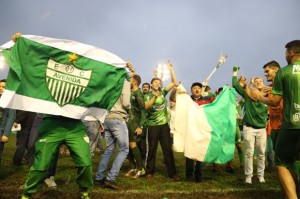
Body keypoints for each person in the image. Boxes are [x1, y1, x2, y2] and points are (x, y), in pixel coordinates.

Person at [250, 40, 300, 199]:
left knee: (282, 163)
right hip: (280, 126)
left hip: (292, 125)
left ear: (291, 53)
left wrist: (259, 96)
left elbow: (274, 101)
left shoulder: (284, 72)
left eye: (286, 53)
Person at [94, 69, 131, 190]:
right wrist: (130, 110)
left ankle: (99, 177)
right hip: (118, 119)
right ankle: (111, 177)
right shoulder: (125, 82)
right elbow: (126, 103)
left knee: (109, 149)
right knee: (124, 149)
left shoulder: (109, 83)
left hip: (107, 118)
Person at [144, 61, 179, 181]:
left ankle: (172, 173)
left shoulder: (163, 92)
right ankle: (149, 171)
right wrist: (155, 96)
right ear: (151, 84)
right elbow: (146, 107)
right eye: (155, 82)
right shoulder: (147, 95)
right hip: (153, 126)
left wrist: (171, 70)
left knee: (167, 150)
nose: (157, 83)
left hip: (164, 126)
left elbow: (174, 83)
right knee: (152, 150)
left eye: (159, 82)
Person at [232, 70, 268, 184]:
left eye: (260, 81)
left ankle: (261, 175)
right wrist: (235, 73)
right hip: (249, 128)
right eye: (256, 81)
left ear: (263, 83)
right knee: (249, 152)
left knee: (262, 153)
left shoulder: (269, 96)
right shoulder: (248, 95)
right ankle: (248, 176)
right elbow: (236, 86)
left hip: (262, 128)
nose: (258, 83)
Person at [125, 74, 147, 178]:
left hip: (135, 122)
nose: (128, 80)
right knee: (127, 146)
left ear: (134, 82)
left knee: (133, 145)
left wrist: (140, 126)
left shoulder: (138, 93)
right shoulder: (131, 93)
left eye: (130, 79)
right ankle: (133, 167)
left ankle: (141, 168)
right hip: (129, 122)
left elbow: (143, 111)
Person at [261, 60, 282, 170]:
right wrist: (244, 87)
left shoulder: (286, 82)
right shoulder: (268, 87)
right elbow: (254, 96)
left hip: (287, 126)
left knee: (290, 158)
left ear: (276, 70)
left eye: (267, 71)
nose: (265, 74)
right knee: (280, 158)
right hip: (274, 127)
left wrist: (274, 89)